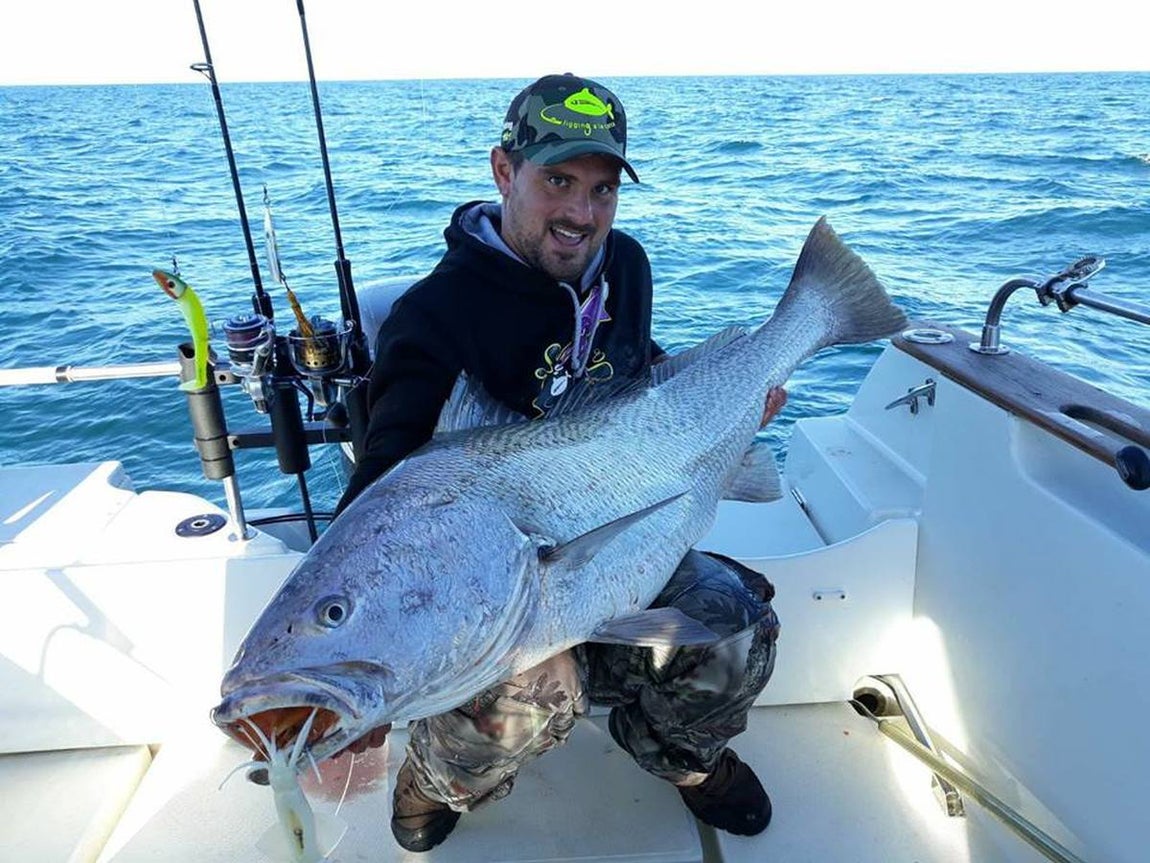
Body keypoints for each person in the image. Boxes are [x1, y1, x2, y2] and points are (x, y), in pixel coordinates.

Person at [334, 73, 784, 853]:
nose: (582, 212)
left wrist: (724, 407)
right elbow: (382, 482)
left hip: (616, 535)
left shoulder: (627, 265)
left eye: (604, 188)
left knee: (735, 623)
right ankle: (439, 775)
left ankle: (679, 757)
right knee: (536, 690)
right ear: (504, 170)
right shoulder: (435, 317)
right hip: (495, 583)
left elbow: (636, 373)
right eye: (558, 181)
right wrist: (358, 674)